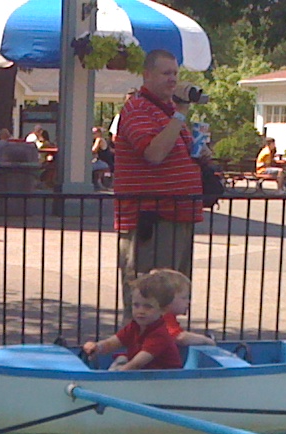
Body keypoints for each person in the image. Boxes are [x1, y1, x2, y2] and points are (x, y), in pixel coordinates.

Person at [112, 49, 204, 285]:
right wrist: (181, 115)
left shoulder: (168, 112)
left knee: (173, 297)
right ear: (147, 75)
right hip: (152, 219)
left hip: (179, 215)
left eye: (175, 73)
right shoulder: (137, 109)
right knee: (148, 299)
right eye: (166, 73)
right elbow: (154, 153)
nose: (173, 79)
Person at [81, 273, 183, 371]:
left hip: (166, 380)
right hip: (145, 377)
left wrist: (113, 379)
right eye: (136, 305)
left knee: (123, 363)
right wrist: (97, 347)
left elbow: (137, 363)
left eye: (148, 306)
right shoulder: (134, 327)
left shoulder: (159, 334)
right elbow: (112, 343)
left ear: (163, 310)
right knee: (121, 359)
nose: (140, 311)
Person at [145, 267, 215, 348]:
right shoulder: (163, 318)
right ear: (167, 298)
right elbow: (180, 337)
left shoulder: (159, 316)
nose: (188, 302)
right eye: (184, 298)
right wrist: (205, 340)